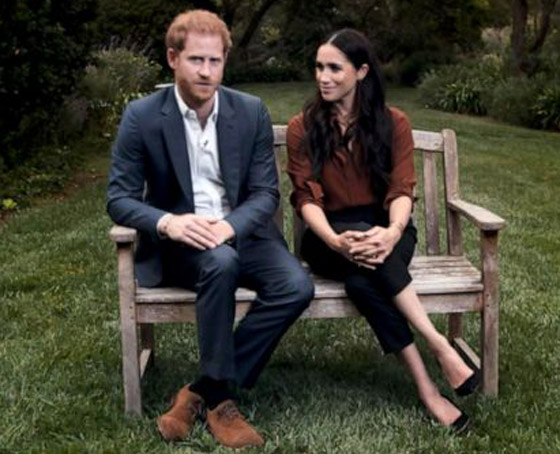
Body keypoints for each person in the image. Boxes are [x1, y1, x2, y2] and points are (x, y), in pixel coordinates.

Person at [107, 10, 314, 449]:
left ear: (224, 62)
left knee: (296, 286)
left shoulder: (249, 111)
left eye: (215, 61)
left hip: (243, 234)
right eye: (196, 60)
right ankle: (221, 404)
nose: (206, 71)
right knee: (219, 263)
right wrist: (169, 222)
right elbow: (119, 198)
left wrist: (229, 227)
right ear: (173, 58)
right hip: (181, 245)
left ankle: (202, 389)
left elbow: (265, 193)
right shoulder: (143, 116)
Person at [286, 28, 478, 433]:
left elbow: (401, 189)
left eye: (334, 68)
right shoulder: (303, 126)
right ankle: (437, 344)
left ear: (361, 72)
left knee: (362, 283)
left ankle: (428, 389)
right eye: (319, 67)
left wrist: (392, 232)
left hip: (388, 226)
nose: (323, 77)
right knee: (361, 247)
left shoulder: (394, 123)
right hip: (327, 237)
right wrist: (335, 241)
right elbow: (305, 198)